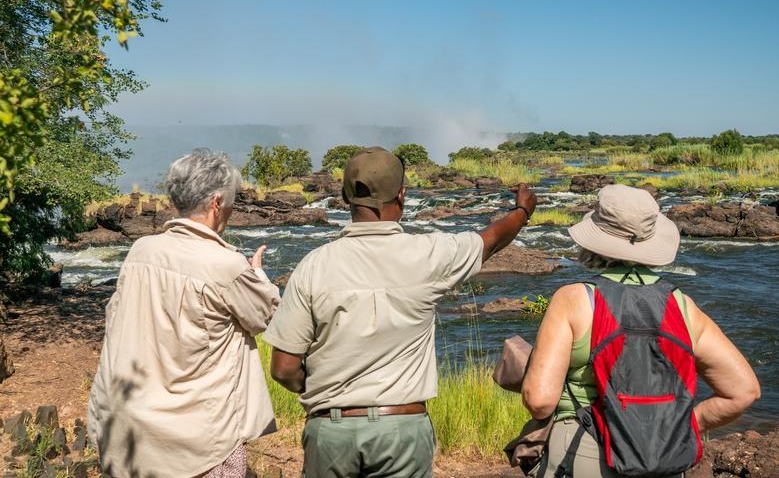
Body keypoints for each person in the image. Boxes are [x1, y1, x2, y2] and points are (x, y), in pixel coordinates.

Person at [263, 146, 538, 478]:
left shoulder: (313, 266)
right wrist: (522, 211)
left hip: (331, 430)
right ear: (402, 195)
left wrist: (321, 391)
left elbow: (283, 367)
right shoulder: (429, 254)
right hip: (402, 429)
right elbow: (489, 241)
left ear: (345, 197)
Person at [522, 184, 760, 477]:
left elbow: (540, 401)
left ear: (594, 240)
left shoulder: (573, 299)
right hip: (663, 456)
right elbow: (744, 392)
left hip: (585, 448)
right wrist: (682, 425)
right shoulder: (683, 305)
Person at [88, 149, 281, 477]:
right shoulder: (225, 265)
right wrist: (258, 275)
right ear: (217, 203)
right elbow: (265, 317)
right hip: (199, 441)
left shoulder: (140, 251)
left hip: (131, 430)